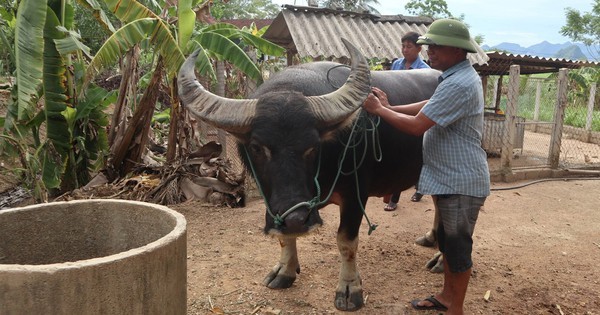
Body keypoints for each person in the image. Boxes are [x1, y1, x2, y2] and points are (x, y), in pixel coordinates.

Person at [363, 19, 490, 315]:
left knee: (457, 248)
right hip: (449, 177)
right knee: (446, 241)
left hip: (461, 180)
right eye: (428, 46)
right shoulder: (454, 77)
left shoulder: (459, 82)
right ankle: (446, 297)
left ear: (458, 51)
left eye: (436, 46)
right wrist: (391, 106)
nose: (429, 51)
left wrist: (380, 111)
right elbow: (428, 104)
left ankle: (454, 307)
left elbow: (419, 125)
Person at [384, 31, 429, 211]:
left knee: (415, 153)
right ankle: (398, 194)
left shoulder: (425, 71)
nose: (405, 50)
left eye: (409, 47)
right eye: (403, 46)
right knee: (397, 154)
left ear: (419, 49)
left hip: (415, 115)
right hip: (394, 112)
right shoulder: (397, 64)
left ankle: (412, 191)